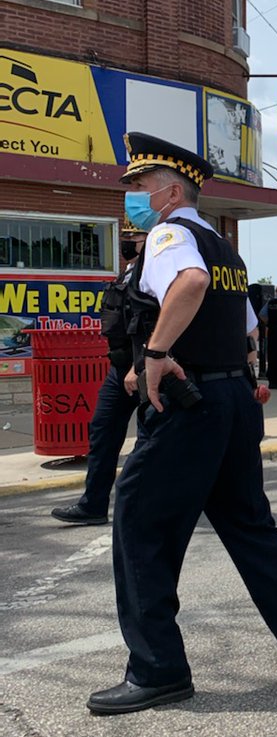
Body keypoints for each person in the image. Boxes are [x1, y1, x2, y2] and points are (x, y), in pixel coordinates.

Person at [86, 132, 277, 716]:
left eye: (140, 188)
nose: (133, 199)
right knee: (248, 522)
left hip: (188, 405)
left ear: (170, 191)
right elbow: (243, 324)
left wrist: (154, 353)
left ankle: (158, 669)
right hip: (230, 399)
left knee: (140, 522)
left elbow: (187, 287)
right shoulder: (222, 245)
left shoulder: (170, 234)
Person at [50, 222, 146, 526]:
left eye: (134, 237)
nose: (127, 242)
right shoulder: (128, 272)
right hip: (119, 369)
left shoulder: (154, 270)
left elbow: (153, 322)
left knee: (154, 440)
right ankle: (93, 505)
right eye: (126, 236)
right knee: (102, 432)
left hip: (143, 369)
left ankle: (155, 504)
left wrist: (140, 364)